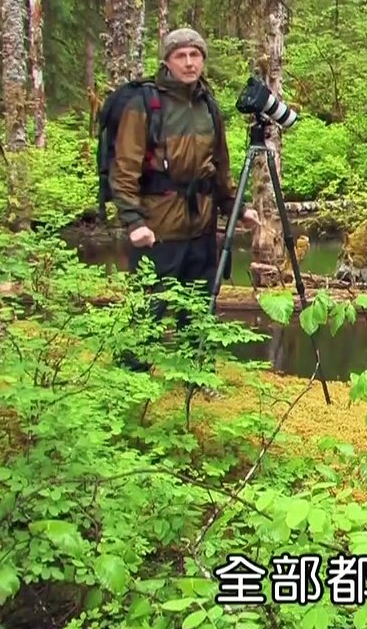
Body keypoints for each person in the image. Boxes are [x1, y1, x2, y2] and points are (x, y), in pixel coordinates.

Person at [110, 27, 260, 376]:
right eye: (181, 56)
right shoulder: (145, 103)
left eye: (195, 55)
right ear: (167, 61)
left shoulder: (208, 104)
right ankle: (131, 380)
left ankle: (195, 375)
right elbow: (124, 167)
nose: (189, 63)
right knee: (149, 308)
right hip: (157, 227)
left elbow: (218, 167)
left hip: (202, 228)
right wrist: (133, 222)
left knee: (199, 305)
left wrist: (236, 207)